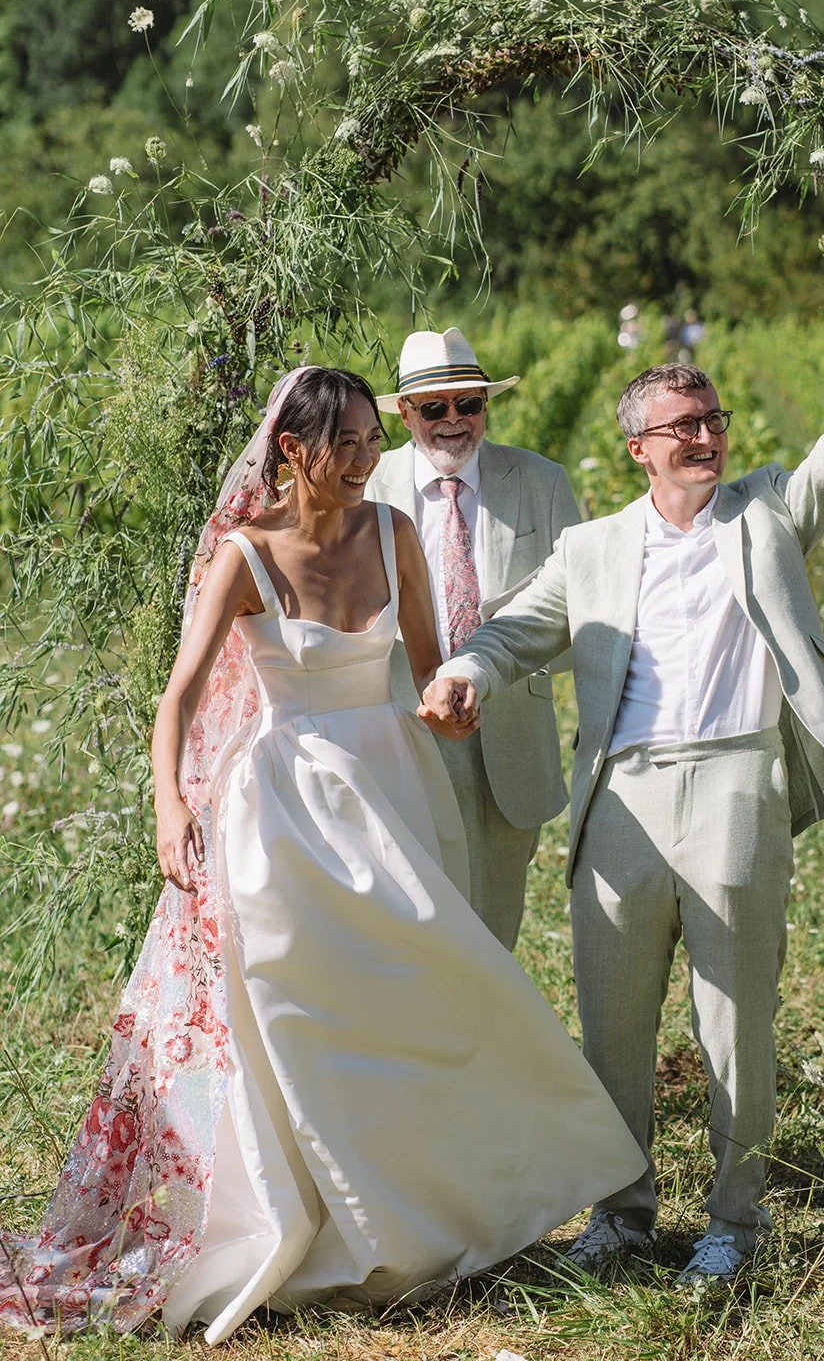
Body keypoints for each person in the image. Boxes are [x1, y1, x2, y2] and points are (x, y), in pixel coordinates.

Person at [0, 367, 642, 1343]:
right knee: (304, 1013)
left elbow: (429, 676)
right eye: (345, 440)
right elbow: (177, 698)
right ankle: (323, 1228)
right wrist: (169, 804)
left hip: (390, 790)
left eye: (371, 438)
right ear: (292, 449)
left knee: (421, 990)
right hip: (282, 804)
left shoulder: (394, 535)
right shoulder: (244, 555)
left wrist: (453, 705)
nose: (365, 456)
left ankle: (445, 1211)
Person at [420, 208, 824, 1287]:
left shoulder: (767, 513)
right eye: (681, 425)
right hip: (623, 802)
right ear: (634, 448)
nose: (705, 436)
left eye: (713, 419)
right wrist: (465, 668)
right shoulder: (591, 547)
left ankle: (734, 1220)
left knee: (736, 1016)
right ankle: (622, 1213)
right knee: (612, 1022)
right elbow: (514, 629)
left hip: (736, 776)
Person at [366, 327, 581, 950]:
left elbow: (578, 609)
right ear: (406, 414)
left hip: (506, 732)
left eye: (470, 403)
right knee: (408, 931)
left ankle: (487, 1048)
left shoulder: (541, 481)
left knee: (494, 934)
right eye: (434, 407)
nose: (453, 420)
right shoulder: (367, 484)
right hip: (399, 732)